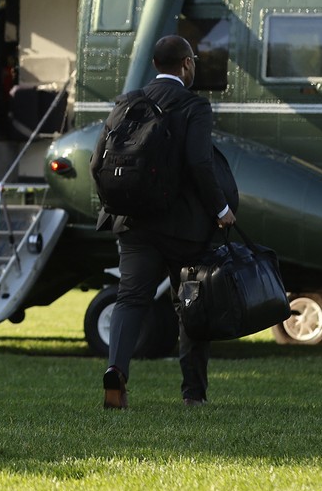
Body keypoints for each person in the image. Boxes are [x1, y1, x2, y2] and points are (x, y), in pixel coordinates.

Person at [97, 34, 237, 409]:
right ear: (187, 64)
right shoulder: (194, 106)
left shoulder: (127, 103)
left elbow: (98, 161)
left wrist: (114, 205)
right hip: (184, 230)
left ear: (155, 64)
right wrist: (221, 209)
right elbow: (199, 163)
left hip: (133, 224)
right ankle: (193, 394)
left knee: (130, 299)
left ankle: (116, 372)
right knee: (192, 302)